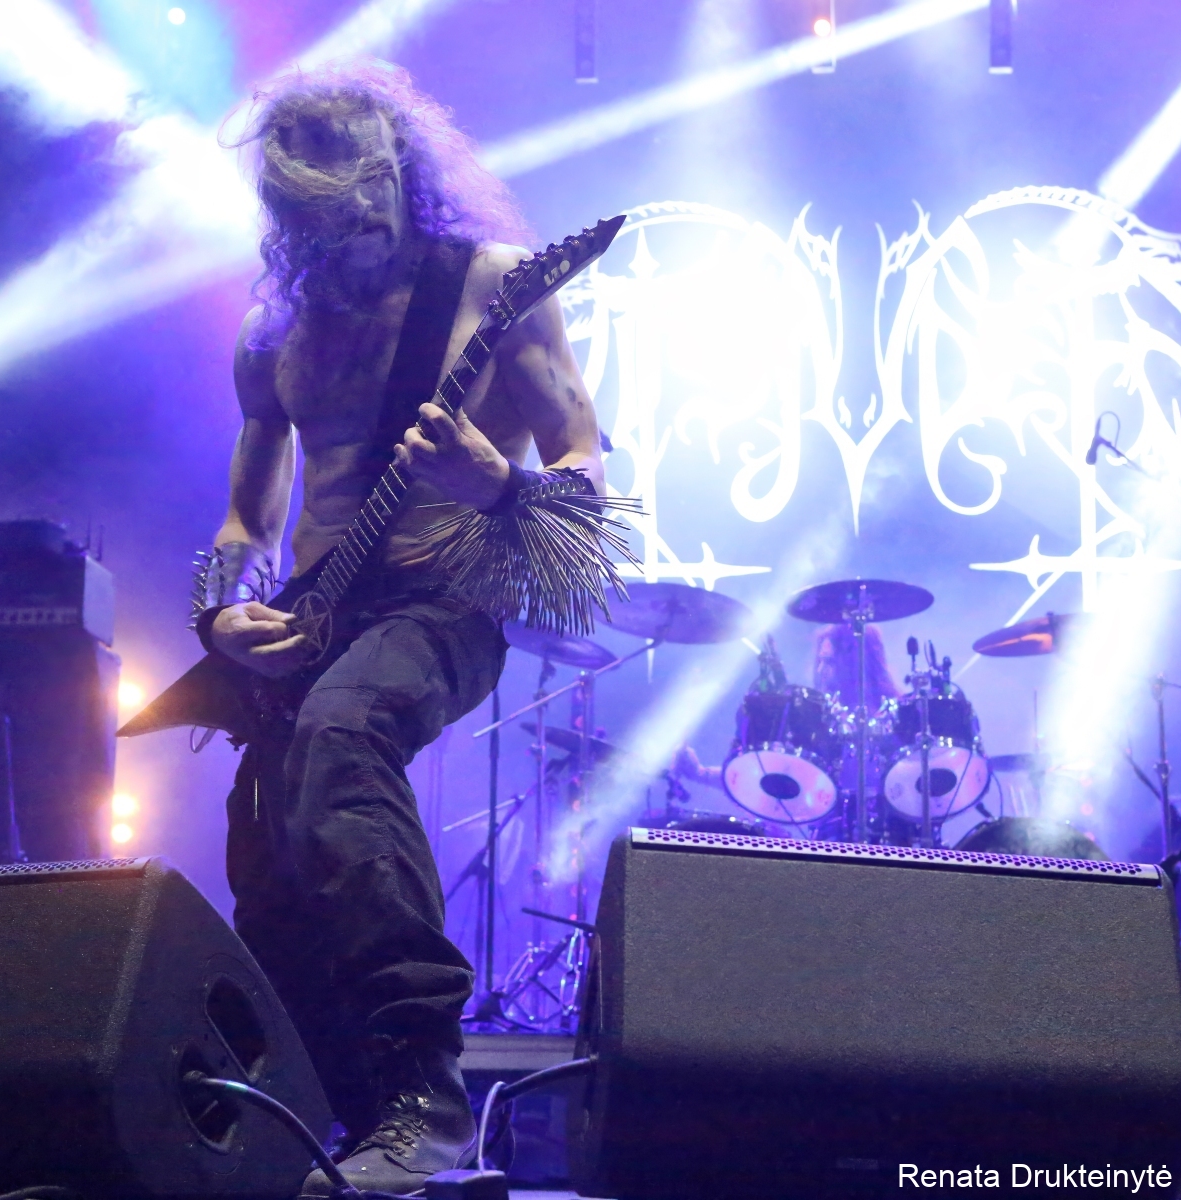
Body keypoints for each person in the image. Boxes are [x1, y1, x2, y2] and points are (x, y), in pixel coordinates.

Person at [196, 63, 614, 1196]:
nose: (359, 232)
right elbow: (246, 519)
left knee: (341, 737)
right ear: (289, 218)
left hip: (449, 597)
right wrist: (219, 612)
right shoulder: (273, 333)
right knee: (270, 858)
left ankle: (428, 1092)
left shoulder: (493, 286)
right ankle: (333, 1112)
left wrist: (498, 486)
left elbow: (587, 468)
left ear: (405, 175)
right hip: (312, 615)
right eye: (328, 220)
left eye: (373, 202)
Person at [673, 623, 900, 787]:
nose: (821, 670)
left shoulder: (894, 719)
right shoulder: (817, 722)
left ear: (858, 665)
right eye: (820, 661)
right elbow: (765, 776)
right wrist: (700, 773)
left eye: (830, 662)